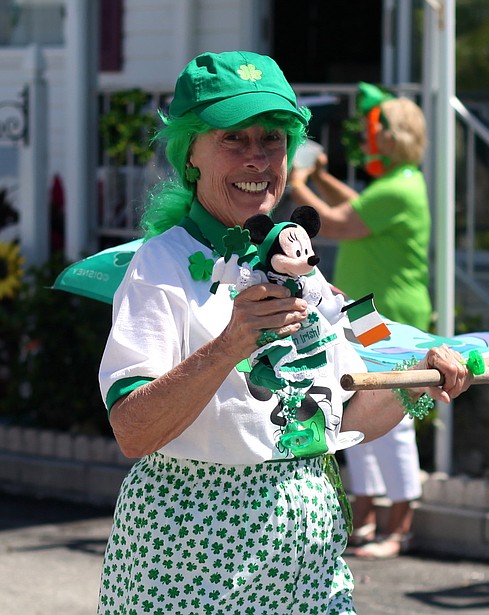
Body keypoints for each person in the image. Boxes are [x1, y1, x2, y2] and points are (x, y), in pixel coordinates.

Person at [97, 51, 470, 614]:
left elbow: (349, 414)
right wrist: (231, 344)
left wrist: (415, 382)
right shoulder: (161, 264)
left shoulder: (305, 269)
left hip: (308, 553)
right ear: (190, 153)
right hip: (192, 555)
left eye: (271, 138)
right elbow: (133, 430)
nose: (257, 157)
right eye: (234, 138)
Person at [287, 83, 431, 559]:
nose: (375, 135)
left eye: (383, 127)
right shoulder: (400, 183)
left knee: (397, 416)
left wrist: (299, 183)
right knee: (357, 407)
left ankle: (401, 528)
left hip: (387, 317)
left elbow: (342, 222)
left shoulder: (399, 186)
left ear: (401, 134)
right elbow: (354, 206)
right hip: (366, 314)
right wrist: (322, 179)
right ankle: (367, 517)